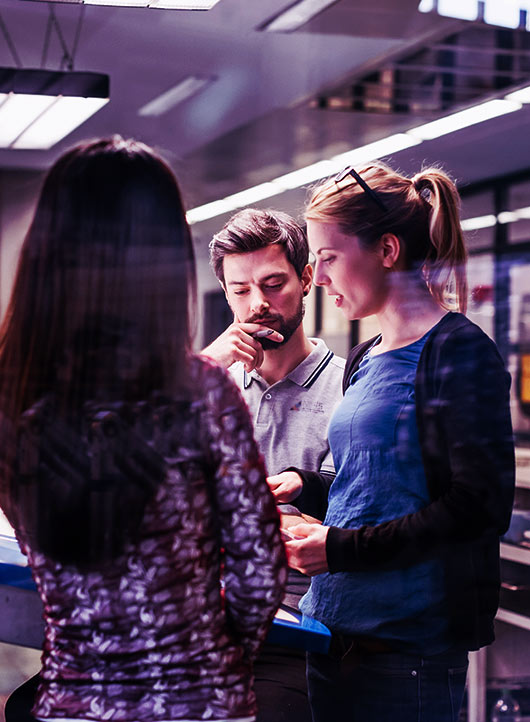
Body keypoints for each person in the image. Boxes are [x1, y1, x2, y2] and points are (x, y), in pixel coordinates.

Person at [0, 137, 286, 722]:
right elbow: (259, 569)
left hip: (74, 700)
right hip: (200, 702)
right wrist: (212, 659)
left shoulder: (11, 397)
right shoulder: (202, 392)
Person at [269, 162, 515, 722]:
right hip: (335, 635)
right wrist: (304, 486)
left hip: (407, 655)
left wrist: (337, 550)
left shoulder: (458, 351)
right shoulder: (366, 355)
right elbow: (377, 483)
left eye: (328, 257)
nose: (318, 275)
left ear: (386, 250)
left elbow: (477, 508)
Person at [203, 208, 344, 722]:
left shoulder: (351, 391)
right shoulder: (207, 383)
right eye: (240, 290)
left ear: (306, 279)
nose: (257, 304)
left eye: (273, 284)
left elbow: (333, 523)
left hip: (291, 628)